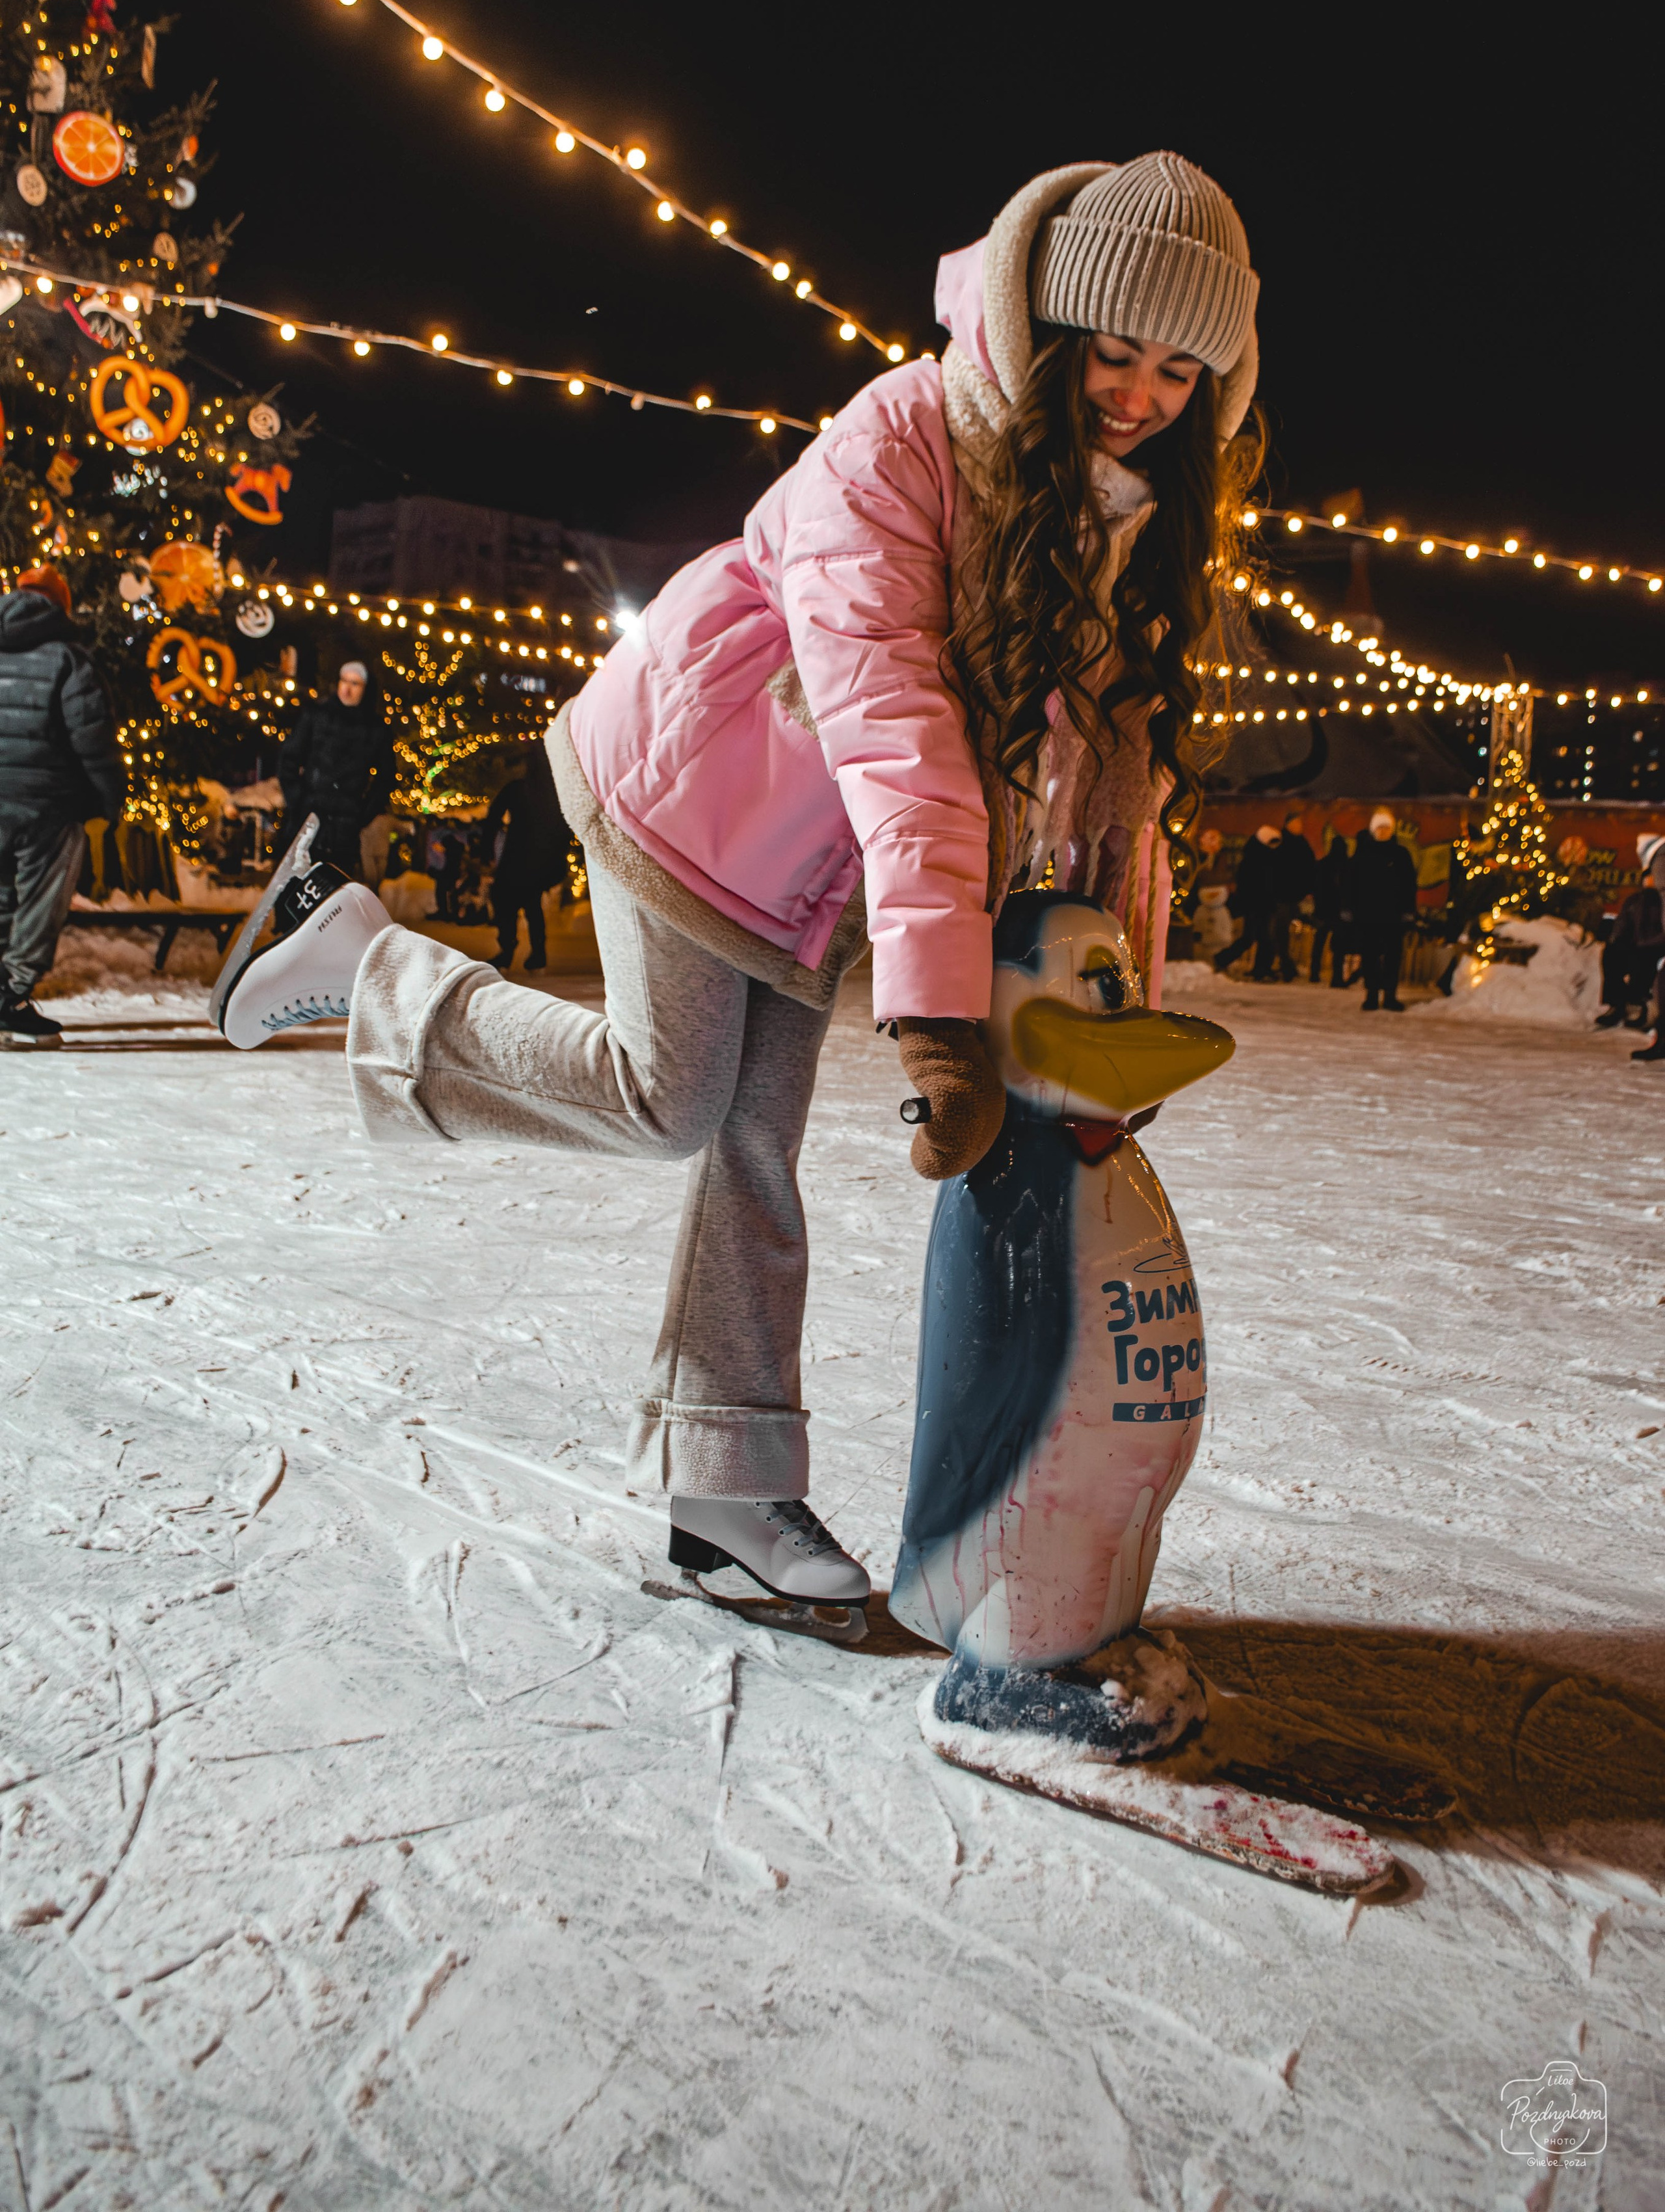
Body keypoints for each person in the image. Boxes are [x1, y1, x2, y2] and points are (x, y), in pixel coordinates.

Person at [219, 154, 1263, 1604]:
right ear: (1047, 321)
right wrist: (937, 1018)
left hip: (805, 864)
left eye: (1176, 369)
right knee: (674, 1101)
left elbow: (1108, 782)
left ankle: (723, 1499)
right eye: (1112, 353)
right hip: (691, 789)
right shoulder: (900, 441)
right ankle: (372, 967)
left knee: (749, 1149)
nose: (1139, 394)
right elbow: (897, 730)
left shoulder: (1109, 518)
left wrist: (1115, 1002)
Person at [0, 565, 122, 1048]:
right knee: (39, 901)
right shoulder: (69, 660)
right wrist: (109, 801)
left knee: (3, 897)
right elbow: (94, 741)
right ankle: (12, 995)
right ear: (61, 605)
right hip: (45, 806)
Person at [276, 660, 393, 879]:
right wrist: (298, 800)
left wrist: (361, 813)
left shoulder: (376, 730)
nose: (347, 689)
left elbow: (386, 778)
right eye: (344, 681)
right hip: (307, 819)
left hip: (345, 828)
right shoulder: (316, 716)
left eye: (355, 684)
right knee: (294, 885)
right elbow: (289, 759)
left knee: (334, 887)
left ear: (365, 689)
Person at [488, 750, 577, 972]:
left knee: (507, 901)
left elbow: (493, 816)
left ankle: (509, 949)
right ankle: (537, 953)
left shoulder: (519, 789)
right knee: (531, 904)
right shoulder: (554, 793)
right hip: (539, 858)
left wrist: (489, 845)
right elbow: (566, 828)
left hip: (518, 854)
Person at [1343, 808, 1418, 1011]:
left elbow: (1409, 884)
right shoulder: (1363, 855)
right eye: (1379, 828)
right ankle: (1372, 995)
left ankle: (1390, 995)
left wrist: (1408, 911)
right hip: (1368, 915)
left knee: (1393, 956)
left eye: (1386, 828)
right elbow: (1351, 883)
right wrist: (1349, 908)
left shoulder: (1401, 855)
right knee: (1370, 957)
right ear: (1373, 830)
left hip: (1393, 915)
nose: (1383, 832)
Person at [1597, 834, 1664, 1032]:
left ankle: (1637, 1002)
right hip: (1635, 944)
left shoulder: (1661, 901)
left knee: (1643, 961)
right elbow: (1622, 924)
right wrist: (1616, 940)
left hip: (1655, 946)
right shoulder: (1635, 901)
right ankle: (1616, 1003)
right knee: (1612, 955)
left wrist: (1650, 943)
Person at [1212, 823, 1281, 978]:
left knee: (1261, 938)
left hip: (1262, 904)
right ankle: (1223, 959)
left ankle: (1259, 969)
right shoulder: (1256, 859)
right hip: (1257, 904)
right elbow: (1252, 883)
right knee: (1255, 938)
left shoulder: (1261, 857)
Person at [1270, 810, 1317, 983]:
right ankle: (1286, 966)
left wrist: (1309, 890)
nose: (1299, 827)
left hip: (1298, 896)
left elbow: (1310, 868)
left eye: (1300, 823)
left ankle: (1288, 965)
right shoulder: (1280, 842)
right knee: (1280, 933)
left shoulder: (1302, 844)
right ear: (1288, 824)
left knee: (1283, 932)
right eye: (1296, 823)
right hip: (1282, 896)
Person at [1309, 830, 1352, 985]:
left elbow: (1315, 887)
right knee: (1338, 946)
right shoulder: (1347, 866)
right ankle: (1337, 977)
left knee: (1319, 943)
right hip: (1338, 912)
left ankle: (1314, 973)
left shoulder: (1322, 864)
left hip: (1322, 910)